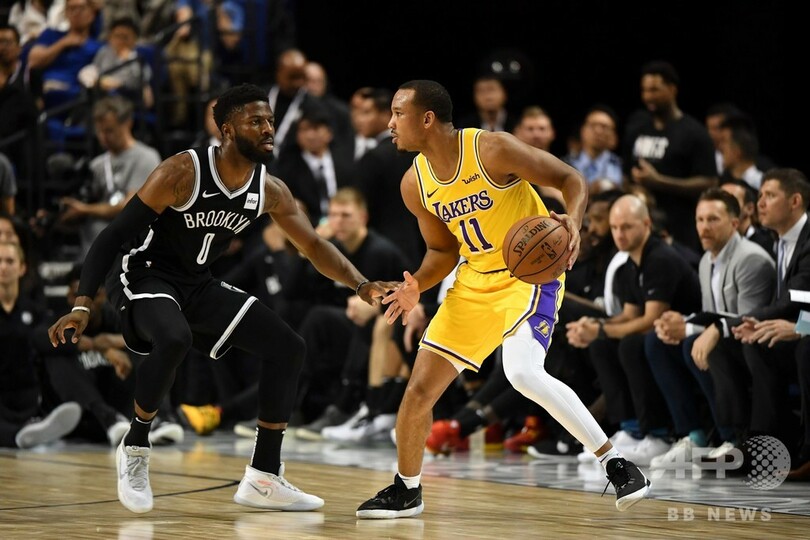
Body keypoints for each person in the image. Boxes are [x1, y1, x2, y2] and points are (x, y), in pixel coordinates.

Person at [47, 83, 396, 514]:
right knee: (174, 337)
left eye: (270, 121)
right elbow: (112, 235)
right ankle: (135, 446)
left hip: (197, 283)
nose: (268, 129)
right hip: (143, 274)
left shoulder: (269, 189)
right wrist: (83, 304)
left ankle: (264, 475)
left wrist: (361, 284)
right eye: (256, 121)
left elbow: (313, 245)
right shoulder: (182, 172)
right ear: (227, 130)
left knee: (288, 347)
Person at [356, 80, 650, 519]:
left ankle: (617, 463)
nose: (390, 123)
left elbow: (569, 178)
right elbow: (442, 250)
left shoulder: (491, 149)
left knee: (522, 372)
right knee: (418, 392)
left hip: (528, 276)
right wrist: (418, 283)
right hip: (473, 281)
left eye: (398, 113)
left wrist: (572, 219)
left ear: (427, 119)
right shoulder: (414, 183)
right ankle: (407, 490)